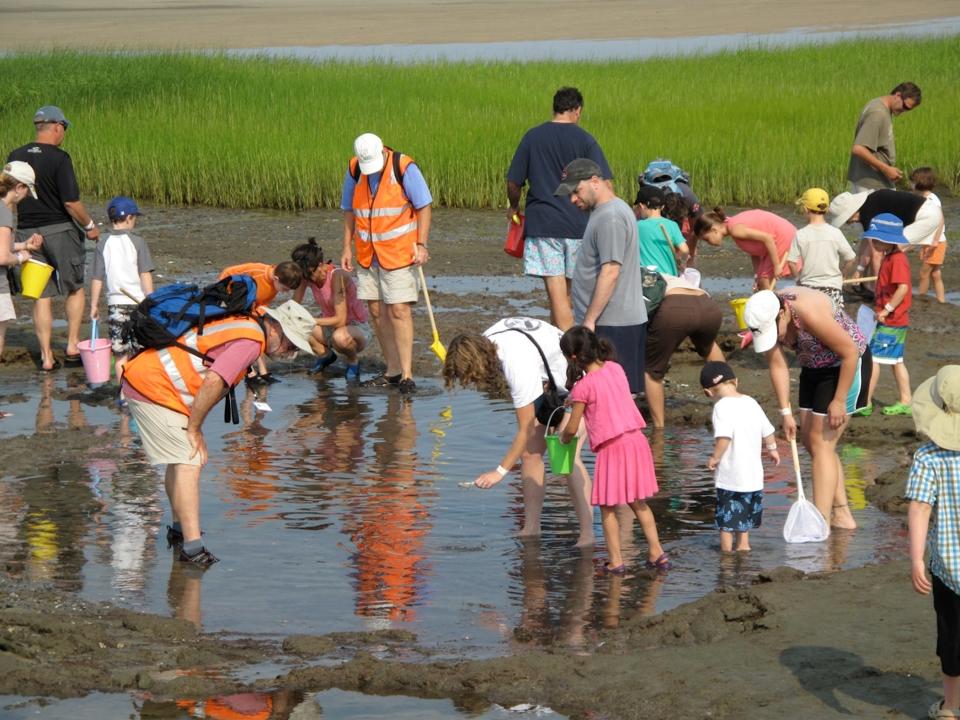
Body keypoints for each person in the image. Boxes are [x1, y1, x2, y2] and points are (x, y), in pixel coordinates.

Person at [120, 300, 317, 564]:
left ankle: (180, 531)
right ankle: (193, 549)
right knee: (191, 458)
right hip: (152, 386)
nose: (289, 353)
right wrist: (194, 428)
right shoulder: (250, 341)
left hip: (153, 381)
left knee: (180, 458)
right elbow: (214, 380)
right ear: (276, 328)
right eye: (290, 345)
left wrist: (193, 424)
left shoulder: (249, 323)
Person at [443, 317, 594, 547]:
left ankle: (587, 534)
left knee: (565, 455)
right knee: (530, 456)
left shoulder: (516, 363)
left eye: (474, 376)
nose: (477, 382)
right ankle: (531, 527)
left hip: (584, 385)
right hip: (552, 384)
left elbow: (524, 429)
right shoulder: (489, 339)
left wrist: (499, 472)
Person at [742, 286, 872, 531]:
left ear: (782, 314)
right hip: (813, 367)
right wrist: (785, 413)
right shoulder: (764, 312)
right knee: (810, 442)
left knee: (822, 443)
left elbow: (850, 352)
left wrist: (839, 400)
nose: (774, 338)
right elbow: (778, 366)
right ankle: (842, 515)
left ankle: (820, 523)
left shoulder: (810, 314)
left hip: (847, 365)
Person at [558, 326, 669, 573]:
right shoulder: (615, 368)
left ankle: (616, 560)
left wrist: (563, 439)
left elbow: (573, 427)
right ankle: (657, 552)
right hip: (637, 441)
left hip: (612, 448)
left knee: (607, 507)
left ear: (573, 357)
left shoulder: (582, 388)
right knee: (638, 502)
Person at [507, 87, 612, 331]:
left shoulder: (532, 137)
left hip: (543, 224)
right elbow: (605, 182)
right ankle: (566, 347)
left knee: (557, 296)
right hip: (579, 224)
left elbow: (514, 182)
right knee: (568, 295)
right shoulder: (585, 139)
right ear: (577, 110)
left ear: (555, 108)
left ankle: (567, 352)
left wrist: (513, 205)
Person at [7, 105, 100, 372]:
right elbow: (71, 203)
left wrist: (11, 232)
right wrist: (90, 226)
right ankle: (72, 345)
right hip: (61, 230)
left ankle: (47, 357)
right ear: (57, 127)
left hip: (27, 232)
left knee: (41, 295)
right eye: (64, 129)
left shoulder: (16, 155)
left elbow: (9, 201)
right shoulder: (60, 158)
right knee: (74, 287)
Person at [341, 133, 431, 394]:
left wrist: (422, 245)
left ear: (382, 152)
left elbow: (424, 205)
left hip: (400, 252)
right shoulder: (355, 169)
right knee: (377, 311)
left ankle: (406, 374)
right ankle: (391, 371)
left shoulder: (403, 167)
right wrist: (347, 246)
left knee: (399, 310)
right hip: (368, 254)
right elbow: (349, 209)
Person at [557, 158, 648, 395]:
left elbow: (610, 271)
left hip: (614, 323)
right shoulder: (603, 213)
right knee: (608, 396)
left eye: (576, 191)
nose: (573, 199)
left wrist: (589, 321)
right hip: (608, 320)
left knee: (615, 396)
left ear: (595, 182)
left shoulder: (612, 217)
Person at [905, 365, 960, 720]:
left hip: (950, 569)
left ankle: (951, 707)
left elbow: (920, 509)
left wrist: (915, 560)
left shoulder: (928, 457)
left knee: (952, 640)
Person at [700, 361, 780, 553]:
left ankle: (726, 555)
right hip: (753, 478)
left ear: (708, 392)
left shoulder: (721, 407)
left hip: (731, 477)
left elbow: (724, 437)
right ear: (736, 381)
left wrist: (715, 457)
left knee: (726, 521)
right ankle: (744, 547)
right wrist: (772, 449)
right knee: (743, 517)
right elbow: (767, 430)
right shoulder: (751, 402)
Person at [644, 274, 725, 428]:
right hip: (708, 305)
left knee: (651, 369)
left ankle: (659, 429)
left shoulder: (632, 276)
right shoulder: (660, 274)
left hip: (676, 308)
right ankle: (731, 399)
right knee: (708, 347)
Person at [827, 186, 943, 293]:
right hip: (929, 211)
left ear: (850, 213)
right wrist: (860, 269)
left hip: (925, 217)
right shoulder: (869, 204)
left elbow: (877, 253)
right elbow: (870, 244)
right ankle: (887, 287)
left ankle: (885, 289)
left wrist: (878, 290)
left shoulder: (868, 213)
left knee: (891, 251)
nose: (849, 223)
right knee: (889, 250)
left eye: (847, 220)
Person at [89, 196, 154, 381]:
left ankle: (123, 394)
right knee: (141, 351)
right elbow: (145, 274)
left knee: (120, 354)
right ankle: (139, 390)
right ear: (128, 218)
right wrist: (151, 300)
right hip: (138, 304)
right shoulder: (138, 242)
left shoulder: (103, 244)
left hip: (116, 305)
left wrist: (93, 305)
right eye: (134, 218)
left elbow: (97, 278)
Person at [855, 215, 913, 417]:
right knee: (897, 361)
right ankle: (906, 400)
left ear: (889, 240)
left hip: (892, 320)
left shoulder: (897, 260)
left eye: (877, 240)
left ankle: (865, 402)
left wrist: (886, 309)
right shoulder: (890, 257)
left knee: (874, 360)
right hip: (892, 318)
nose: (874, 243)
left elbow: (903, 288)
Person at [291, 237, 368, 382]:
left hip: (354, 327)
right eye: (305, 275)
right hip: (329, 326)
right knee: (294, 323)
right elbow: (294, 306)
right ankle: (324, 354)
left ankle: (353, 361)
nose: (310, 279)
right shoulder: (307, 276)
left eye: (311, 273)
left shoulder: (337, 276)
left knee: (339, 337)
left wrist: (311, 320)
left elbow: (340, 320)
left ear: (320, 264)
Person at [219, 260, 304, 384]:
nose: (285, 292)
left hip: (253, 306)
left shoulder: (275, 285)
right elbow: (227, 272)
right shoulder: (257, 272)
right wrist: (225, 296)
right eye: (285, 289)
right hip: (236, 302)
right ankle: (250, 372)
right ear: (276, 278)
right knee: (248, 335)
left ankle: (263, 371)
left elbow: (264, 301)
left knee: (261, 332)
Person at [0, 162, 44, 380]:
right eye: (26, 189)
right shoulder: (4, 213)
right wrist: (19, 258)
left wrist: (24, 245)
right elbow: (2, 256)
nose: (26, 195)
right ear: (17, 187)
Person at [693, 207, 797, 291]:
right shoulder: (732, 226)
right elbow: (755, 252)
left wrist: (777, 266)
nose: (709, 243)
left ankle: (776, 313)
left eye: (707, 239)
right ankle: (776, 308)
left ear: (714, 230)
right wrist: (757, 276)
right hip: (777, 238)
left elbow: (768, 238)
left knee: (765, 282)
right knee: (761, 283)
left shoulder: (736, 230)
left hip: (782, 236)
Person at [786, 188, 855, 309]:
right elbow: (851, 258)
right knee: (833, 323)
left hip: (809, 289)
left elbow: (791, 263)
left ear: (805, 209)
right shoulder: (835, 233)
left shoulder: (801, 234)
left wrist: (798, 279)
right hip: (833, 288)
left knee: (810, 324)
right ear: (827, 209)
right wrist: (842, 276)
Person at [847, 82, 921, 193]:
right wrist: (886, 169)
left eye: (908, 110)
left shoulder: (878, 104)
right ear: (898, 95)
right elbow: (858, 149)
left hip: (873, 181)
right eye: (905, 106)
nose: (904, 111)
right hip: (871, 184)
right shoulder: (878, 114)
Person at [910, 167, 948, 304]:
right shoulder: (922, 198)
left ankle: (921, 298)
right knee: (935, 273)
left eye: (912, 181)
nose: (910, 185)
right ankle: (941, 300)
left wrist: (935, 241)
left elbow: (940, 219)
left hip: (935, 243)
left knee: (924, 273)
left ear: (919, 182)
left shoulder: (932, 199)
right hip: (930, 242)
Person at [634, 185, 688, 275]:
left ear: (641, 206)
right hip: (670, 277)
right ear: (662, 207)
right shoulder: (672, 225)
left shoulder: (637, 226)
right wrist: (680, 259)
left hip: (648, 278)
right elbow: (685, 250)